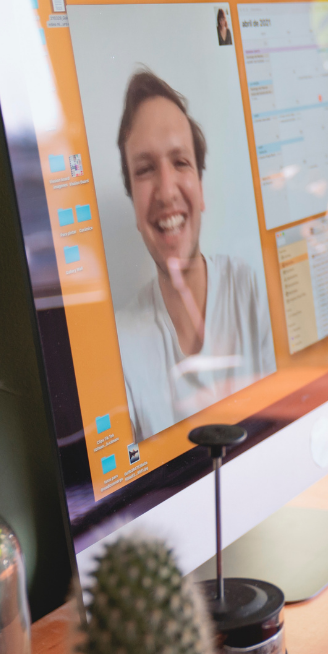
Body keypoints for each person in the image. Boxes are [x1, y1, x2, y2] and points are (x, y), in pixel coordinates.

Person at [114, 69, 274, 442]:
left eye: (180, 162)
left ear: (201, 190)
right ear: (134, 206)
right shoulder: (119, 346)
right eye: (145, 169)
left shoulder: (253, 289)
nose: (167, 191)